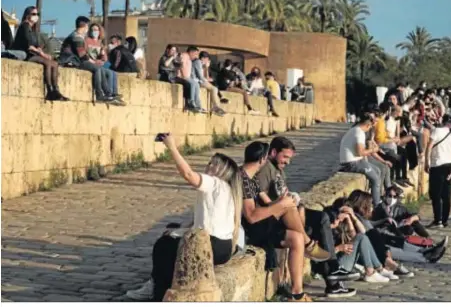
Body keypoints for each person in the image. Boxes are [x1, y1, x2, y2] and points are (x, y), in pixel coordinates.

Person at [126, 133, 243, 301]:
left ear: (220, 170)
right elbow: (206, 220)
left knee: (163, 246)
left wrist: (172, 147)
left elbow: (188, 174)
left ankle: (157, 291)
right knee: (172, 230)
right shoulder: (229, 191)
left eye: (212, 164)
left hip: (211, 245)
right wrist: (179, 231)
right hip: (224, 248)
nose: (208, 166)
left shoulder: (214, 183)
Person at [241, 141, 345, 301]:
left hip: (265, 221)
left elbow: (267, 200)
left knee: (297, 235)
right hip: (254, 227)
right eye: (285, 157)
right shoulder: (246, 178)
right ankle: (312, 248)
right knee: (299, 213)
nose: (288, 161)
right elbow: (251, 216)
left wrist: (286, 203)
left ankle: (297, 293)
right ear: (264, 158)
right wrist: (281, 205)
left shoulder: (253, 178)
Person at [12, 6, 69, 101]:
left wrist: (43, 53)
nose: (36, 16)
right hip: (26, 54)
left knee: (54, 64)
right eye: (34, 14)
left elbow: (37, 46)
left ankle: (56, 90)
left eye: (37, 14)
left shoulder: (33, 29)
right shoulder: (24, 26)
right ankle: (49, 90)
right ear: (27, 15)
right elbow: (29, 46)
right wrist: (42, 54)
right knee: (47, 63)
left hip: (33, 54)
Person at [425, 114, 451, 228]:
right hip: (449, 165)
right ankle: (444, 220)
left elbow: (429, 146)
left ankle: (438, 220)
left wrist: (427, 162)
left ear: (442, 121)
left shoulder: (436, 131)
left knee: (436, 194)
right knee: (446, 194)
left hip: (437, 165)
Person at [339, 114, 382, 206]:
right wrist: (373, 150)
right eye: (370, 128)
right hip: (352, 163)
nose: (369, 130)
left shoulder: (355, 129)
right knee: (376, 180)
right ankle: (376, 204)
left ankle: (372, 196)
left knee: (377, 170)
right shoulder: (359, 133)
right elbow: (360, 152)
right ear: (367, 125)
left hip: (357, 161)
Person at [84, 24, 121, 103]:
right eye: (93, 29)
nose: (95, 31)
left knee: (112, 73)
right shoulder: (87, 40)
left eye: (97, 30)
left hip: (98, 63)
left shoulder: (100, 43)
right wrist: (94, 61)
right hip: (91, 62)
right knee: (100, 71)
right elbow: (85, 54)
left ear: (100, 31)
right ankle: (106, 93)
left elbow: (105, 59)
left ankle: (112, 93)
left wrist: (103, 54)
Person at [191, 50, 226, 116]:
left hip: (199, 81)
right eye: (207, 59)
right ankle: (216, 107)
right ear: (203, 58)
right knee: (214, 89)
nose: (208, 61)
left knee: (214, 88)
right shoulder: (198, 62)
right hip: (196, 81)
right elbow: (201, 77)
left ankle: (216, 107)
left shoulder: (201, 64)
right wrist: (207, 80)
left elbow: (205, 76)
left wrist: (206, 67)